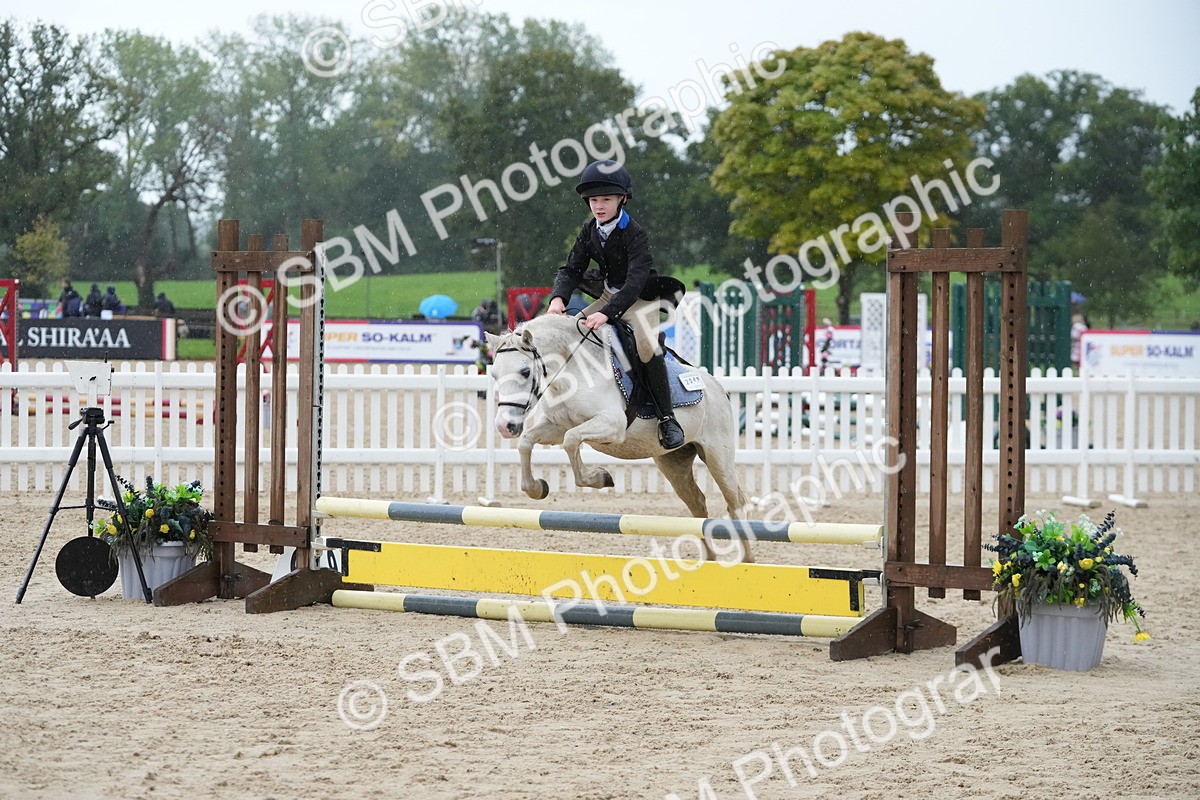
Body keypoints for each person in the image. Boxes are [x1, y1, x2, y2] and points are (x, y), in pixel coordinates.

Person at [546, 159, 686, 450]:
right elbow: (571, 269)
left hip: (640, 301)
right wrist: (558, 298)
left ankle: (666, 418)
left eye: (606, 200)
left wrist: (606, 314)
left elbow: (634, 282)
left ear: (622, 198)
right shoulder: (589, 230)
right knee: (567, 333)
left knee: (647, 346)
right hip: (608, 296)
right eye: (594, 200)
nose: (598, 206)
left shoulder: (635, 233)